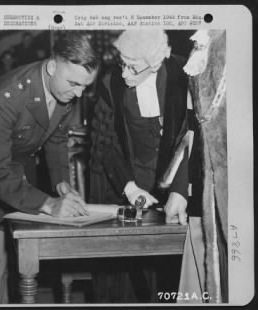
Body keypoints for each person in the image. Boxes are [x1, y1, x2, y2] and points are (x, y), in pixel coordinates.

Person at [0, 31, 99, 304]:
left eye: (85, 86)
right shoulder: (5, 97)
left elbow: (57, 137)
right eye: (74, 84)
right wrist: (49, 204)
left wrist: (62, 184)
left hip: (15, 167)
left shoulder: (66, 87)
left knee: (19, 254)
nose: (79, 93)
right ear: (52, 67)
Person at [89, 29, 189, 302]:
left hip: (181, 186)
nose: (124, 73)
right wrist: (130, 188)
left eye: (133, 66)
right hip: (134, 186)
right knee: (133, 279)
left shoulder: (185, 74)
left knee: (176, 276)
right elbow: (104, 142)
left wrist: (180, 189)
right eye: (123, 62)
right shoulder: (112, 83)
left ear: (154, 61)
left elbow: (195, 137)